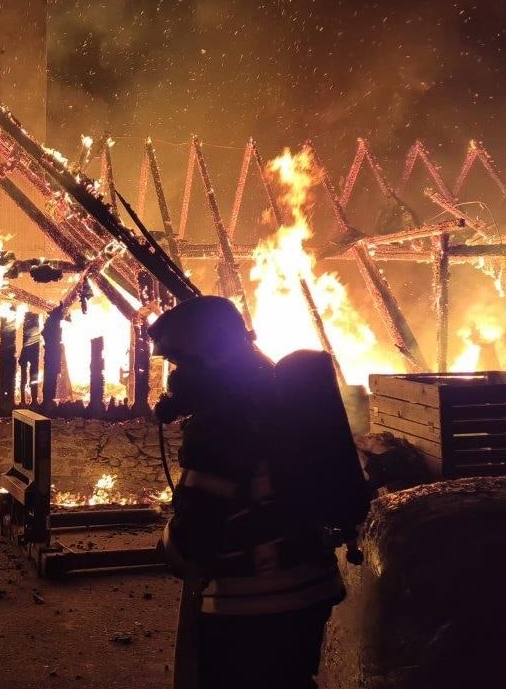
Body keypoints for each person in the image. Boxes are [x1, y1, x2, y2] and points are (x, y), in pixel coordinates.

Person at [149, 295, 363, 689]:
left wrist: (165, 544)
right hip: (311, 590)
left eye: (179, 364)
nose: (175, 379)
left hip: (251, 606)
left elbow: (190, 544)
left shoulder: (219, 426)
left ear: (210, 357)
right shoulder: (277, 397)